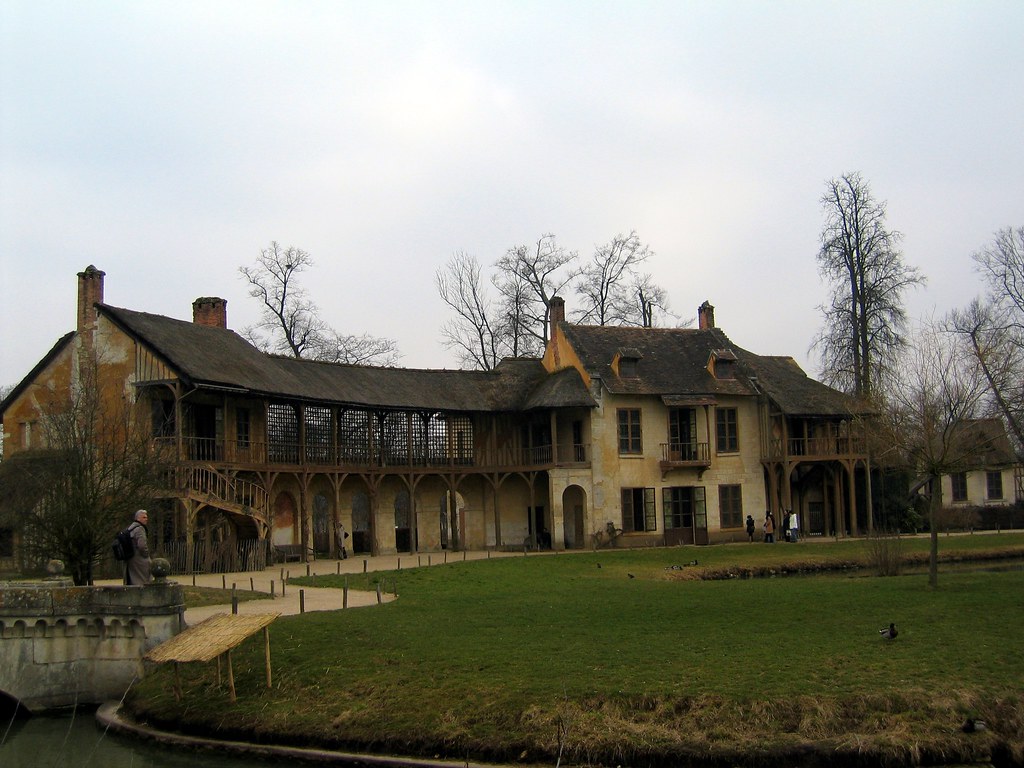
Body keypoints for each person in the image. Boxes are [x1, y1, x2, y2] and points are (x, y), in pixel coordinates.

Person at [125, 509, 152, 585]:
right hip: (139, 559)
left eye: (146, 517)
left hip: (131, 559)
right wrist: (146, 555)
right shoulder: (140, 529)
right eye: (144, 517)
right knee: (144, 581)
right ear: (138, 518)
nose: (146, 519)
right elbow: (142, 545)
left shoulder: (130, 528)